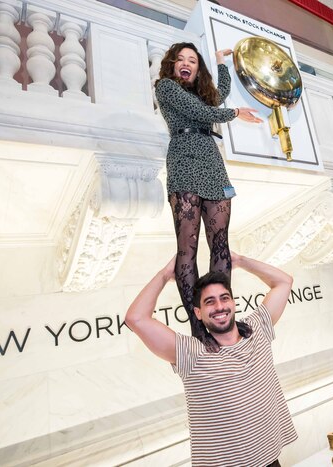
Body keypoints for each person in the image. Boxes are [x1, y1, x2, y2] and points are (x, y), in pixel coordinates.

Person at [125, 252, 298, 467]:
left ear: (233, 303)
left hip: (269, 460)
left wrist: (241, 261)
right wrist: (165, 274)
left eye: (224, 298)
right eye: (210, 302)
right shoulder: (191, 352)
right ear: (198, 313)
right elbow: (136, 318)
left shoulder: (257, 329)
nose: (219, 307)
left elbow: (284, 282)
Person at [154, 42, 262, 350]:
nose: (186, 63)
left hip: (212, 163)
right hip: (184, 161)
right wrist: (235, 113)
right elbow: (200, 112)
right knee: (187, 249)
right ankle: (197, 326)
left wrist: (220, 63)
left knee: (221, 244)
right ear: (172, 65)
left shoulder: (202, 93)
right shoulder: (165, 88)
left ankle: (221, 321)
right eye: (181, 59)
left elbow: (217, 97)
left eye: (193, 60)